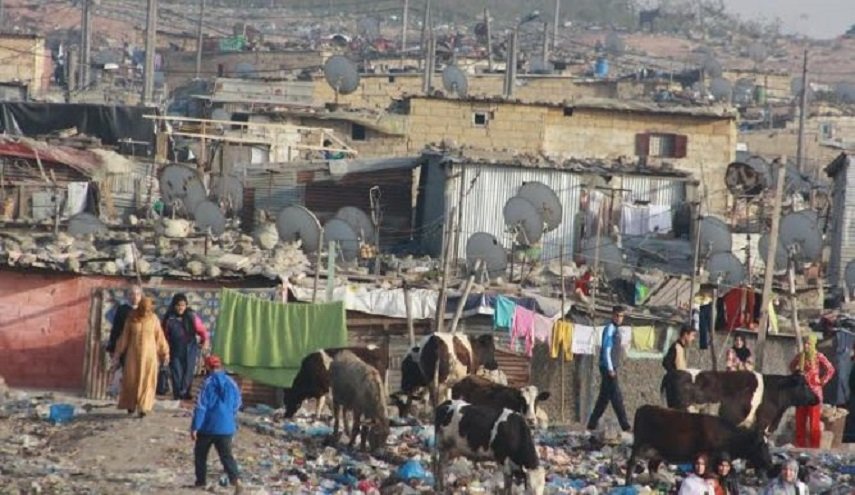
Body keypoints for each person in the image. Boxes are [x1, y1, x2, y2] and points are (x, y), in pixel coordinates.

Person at [191, 355, 242, 494]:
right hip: (226, 428)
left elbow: (201, 406)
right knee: (226, 456)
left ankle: (200, 481)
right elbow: (237, 403)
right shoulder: (231, 382)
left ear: (207, 367)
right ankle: (236, 479)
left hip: (207, 427)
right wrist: (229, 417)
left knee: (200, 454)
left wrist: (195, 427)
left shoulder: (207, 383)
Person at [112, 296, 170, 417]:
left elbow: (160, 338)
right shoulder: (131, 319)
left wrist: (165, 353)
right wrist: (117, 354)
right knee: (131, 380)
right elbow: (124, 337)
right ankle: (130, 405)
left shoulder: (154, 319)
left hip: (149, 357)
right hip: (133, 356)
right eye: (143, 309)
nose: (145, 312)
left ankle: (144, 406)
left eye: (148, 310)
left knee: (147, 381)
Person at [587, 306, 631, 432]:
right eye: (617, 315)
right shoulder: (610, 329)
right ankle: (625, 425)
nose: (619, 318)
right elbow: (606, 350)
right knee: (616, 396)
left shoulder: (617, 330)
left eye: (621, 316)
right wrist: (610, 368)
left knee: (604, 398)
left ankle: (591, 424)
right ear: (612, 316)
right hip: (607, 368)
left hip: (612, 367)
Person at [789, 333, 835, 448]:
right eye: (805, 343)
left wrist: (821, 381)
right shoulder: (800, 357)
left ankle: (814, 448)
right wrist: (796, 375)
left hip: (814, 394)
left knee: (814, 423)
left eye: (808, 343)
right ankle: (800, 446)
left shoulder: (818, 356)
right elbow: (791, 366)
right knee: (800, 421)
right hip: (801, 394)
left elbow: (830, 369)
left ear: (813, 344)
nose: (806, 346)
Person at [162, 293, 209, 401]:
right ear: (174, 305)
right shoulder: (169, 319)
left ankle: (185, 393)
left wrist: (205, 341)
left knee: (188, 372)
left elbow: (202, 331)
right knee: (176, 372)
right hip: (174, 349)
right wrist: (165, 350)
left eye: (183, 305)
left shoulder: (191, 316)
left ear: (186, 305)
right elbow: (164, 336)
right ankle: (178, 395)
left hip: (190, 348)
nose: (180, 308)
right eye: (178, 305)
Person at [106, 283, 144, 359]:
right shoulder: (122, 310)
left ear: (141, 296)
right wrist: (112, 347)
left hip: (142, 346)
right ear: (128, 296)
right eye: (132, 294)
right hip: (126, 345)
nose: (135, 297)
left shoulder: (144, 310)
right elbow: (116, 329)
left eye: (137, 294)